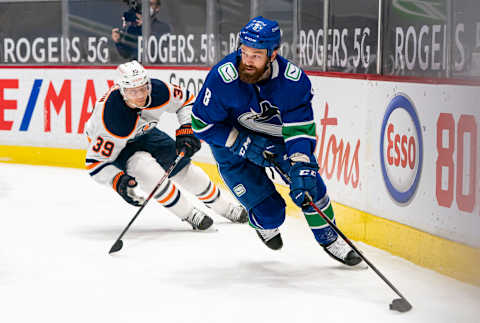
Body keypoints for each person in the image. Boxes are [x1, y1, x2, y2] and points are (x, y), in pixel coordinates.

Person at [192, 16, 362, 266]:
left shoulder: (293, 82)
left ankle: (330, 237)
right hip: (232, 149)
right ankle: (262, 222)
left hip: (276, 141)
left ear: (273, 54)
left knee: (309, 182)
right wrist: (241, 143)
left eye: (256, 55)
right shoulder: (223, 78)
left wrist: (302, 162)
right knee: (271, 215)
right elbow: (201, 125)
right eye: (244, 52)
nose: (247, 61)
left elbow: (299, 131)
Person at [85, 60, 248, 230]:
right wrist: (116, 180)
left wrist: (187, 126)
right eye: (133, 92)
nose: (140, 95)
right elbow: (94, 163)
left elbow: (187, 100)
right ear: (122, 91)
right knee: (147, 169)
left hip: (144, 132)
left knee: (183, 167)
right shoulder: (111, 121)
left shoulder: (158, 91)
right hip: (118, 146)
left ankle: (225, 207)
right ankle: (188, 213)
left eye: (143, 88)